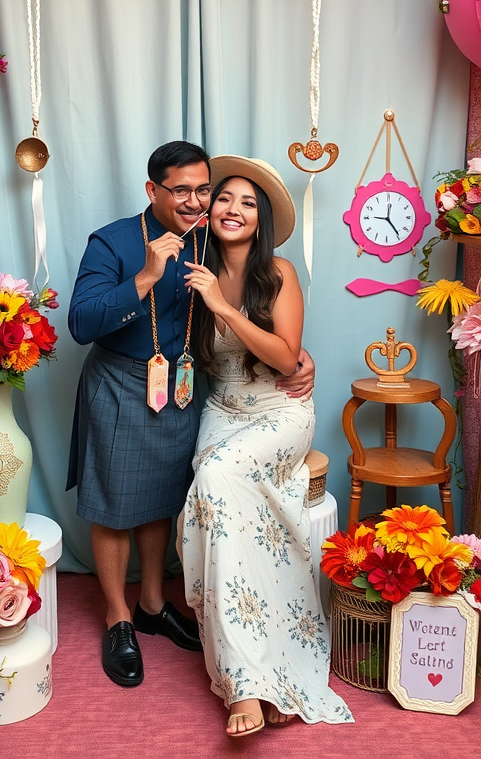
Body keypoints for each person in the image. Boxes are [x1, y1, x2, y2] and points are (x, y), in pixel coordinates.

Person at [67, 141, 315, 688]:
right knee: (113, 504)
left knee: (162, 495)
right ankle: (118, 617)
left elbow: (258, 300)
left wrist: (300, 357)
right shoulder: (112, 241)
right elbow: (80, 324)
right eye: (181, 190)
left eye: (203, 189)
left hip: (180, 385)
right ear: (152, 190)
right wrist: (145, 276)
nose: (195, 201)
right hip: (120, 380)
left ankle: (154, 604)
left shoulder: (210, 237)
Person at [179, 156, 353, 736]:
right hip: (221, 411)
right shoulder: (194, 266)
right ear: (209, 210)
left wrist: (223, 308)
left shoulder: (277, 272)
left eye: (248, 203)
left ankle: (247, 687)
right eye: (224, 199)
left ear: (262, 220)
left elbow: (284, 356)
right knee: (218, 490)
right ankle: (257, 672)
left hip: (280, 410)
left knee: (216, 478)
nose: (233, 209)